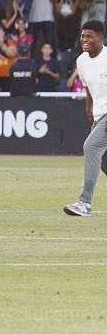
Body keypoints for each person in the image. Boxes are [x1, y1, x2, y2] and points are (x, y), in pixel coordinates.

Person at [64, 21, 107, 217]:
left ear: (101, 38)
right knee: (104, 162)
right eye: (83, 36)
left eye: (89, 36)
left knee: (91, 147)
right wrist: (88, 108)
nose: (84, 40)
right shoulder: (81, 61)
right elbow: (88, 85)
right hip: (98, 115)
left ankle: (84, 203)